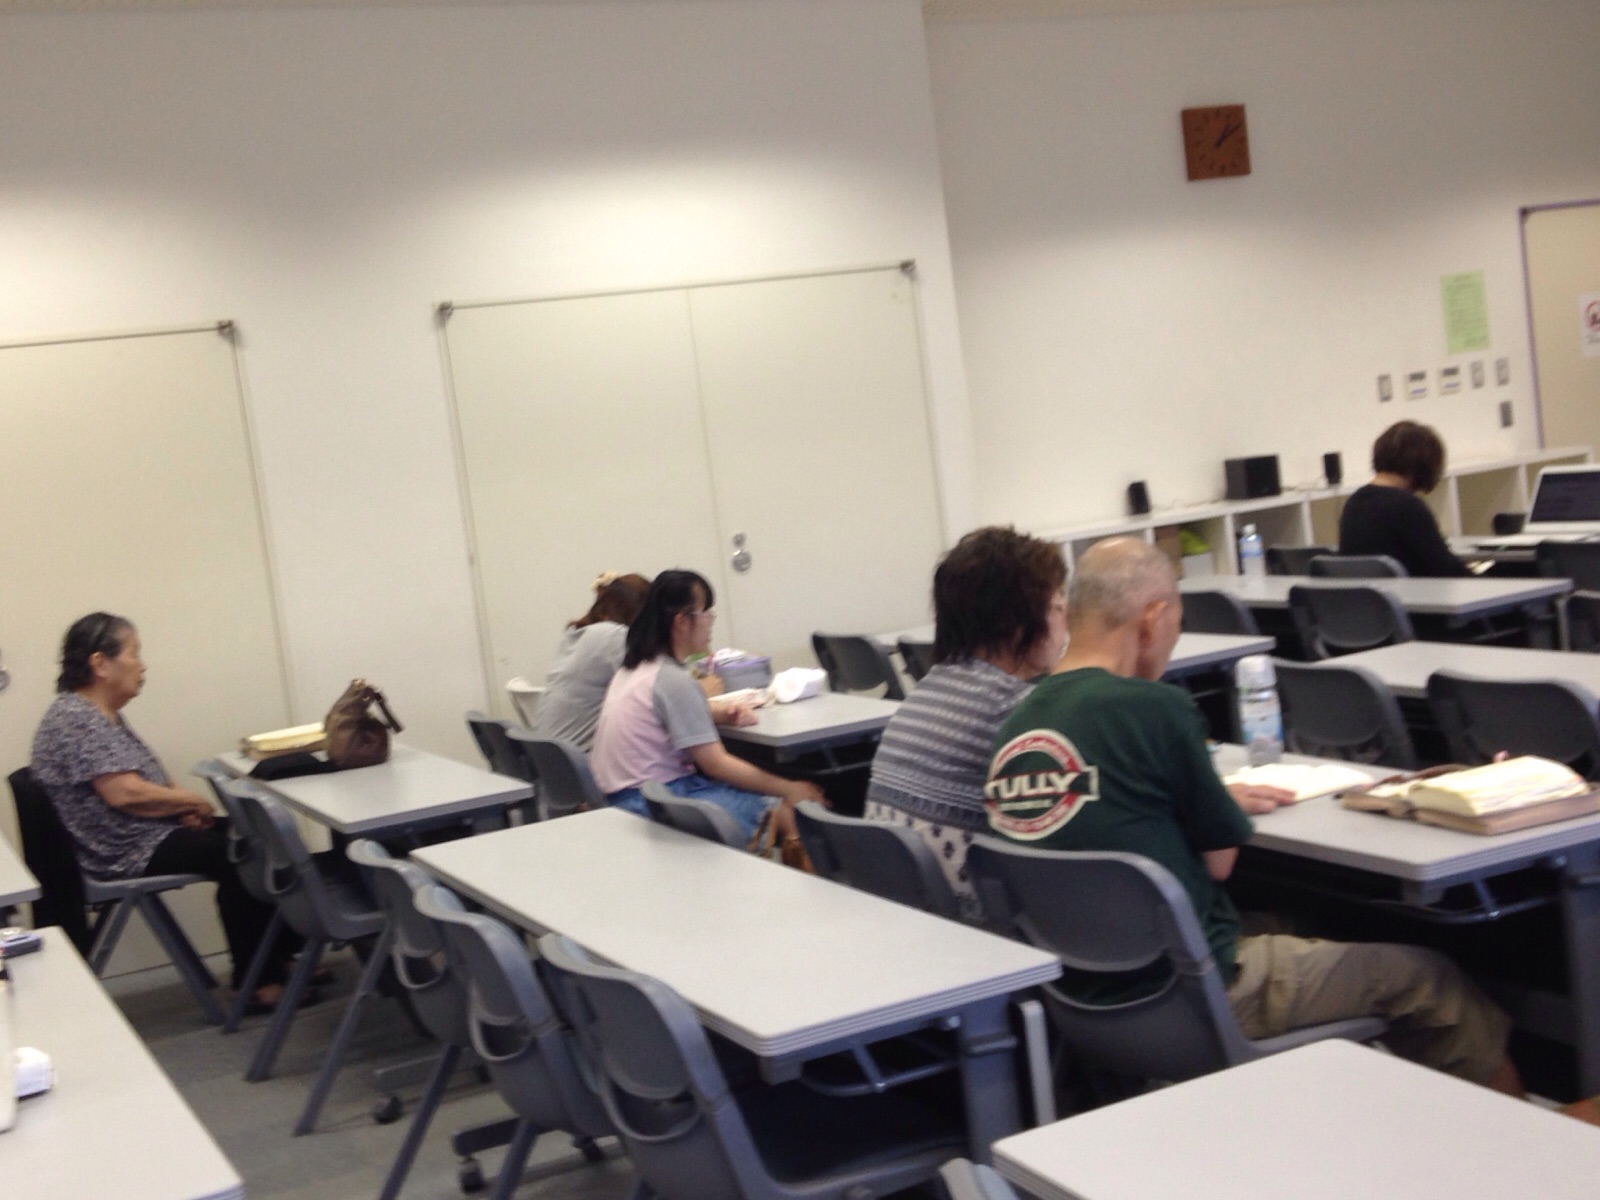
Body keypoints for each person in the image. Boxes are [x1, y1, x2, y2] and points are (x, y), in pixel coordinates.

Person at [984, 538, 1524, 1093]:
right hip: (1197, 993)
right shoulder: (1154, 708)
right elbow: (1219, 863)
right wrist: (1207, 796)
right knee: (1433, 983)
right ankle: (1527, 1134)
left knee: (1306, 925)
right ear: (1153, 618)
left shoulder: (1017, 722)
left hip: (1081, 1000)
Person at [30, 613, 298, 1012]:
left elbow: (144, 776)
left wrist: (178, 809)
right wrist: (190, 803)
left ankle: (279, 958)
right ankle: (257, 981)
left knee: (260, 834)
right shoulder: (77, 719)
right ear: (100, 663)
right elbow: (124, 793)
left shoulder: (96, 713)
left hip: (142, 833)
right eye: (134, 653)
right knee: (241, 853)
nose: (142, 665)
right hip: (123, 848)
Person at [865, 526, 1067, 917]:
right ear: (1019, 622)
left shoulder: (925, 693)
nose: (1066, 621)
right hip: (975, 926)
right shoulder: (1016, 712)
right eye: (1058, 606)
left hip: (903, 914)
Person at [590, 570, 825, 842]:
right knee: (793, 810)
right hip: (657, 804)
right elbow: (716, 765)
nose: (711, 622)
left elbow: (658, 715)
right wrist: (789, 788)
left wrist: (717, 714)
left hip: (625, 801)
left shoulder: (634, 670)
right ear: (681, 621)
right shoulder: (672, 680)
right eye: (705, 612)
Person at [528, 572, 650, 751]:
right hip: (577, 761)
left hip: (549, 759)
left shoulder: (577, 634)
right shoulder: (613, 636)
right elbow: (655, 689)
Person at [1339, 420, 1470, 576]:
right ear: (1424, 465)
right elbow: (1445, 567)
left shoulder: (1353, 503)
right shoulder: (1406, 506)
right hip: (1415, 590)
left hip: (1368, 592)